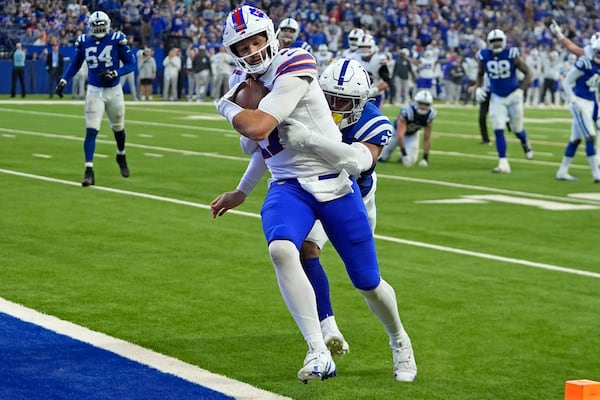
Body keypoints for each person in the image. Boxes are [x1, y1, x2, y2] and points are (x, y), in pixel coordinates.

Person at [214, 5, 416, 384]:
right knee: (282, 248)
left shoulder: (296, 62)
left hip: (337, 184)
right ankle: (318, 349)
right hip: (289, 186)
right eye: (244, 44)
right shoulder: (243, 78)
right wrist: (242, 190)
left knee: (367, 281)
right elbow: (262, 146)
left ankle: (399, 339)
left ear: (272, 37)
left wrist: (226, 105)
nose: (253, 50)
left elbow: (258, 129)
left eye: (258, 40)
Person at [55, 11, 136, 186]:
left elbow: (131, 64)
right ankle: (89, 170)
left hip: (114, 90)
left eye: (101, 26)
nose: (98, 29)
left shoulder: (116, 39)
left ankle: (121, 154)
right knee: (91, 130)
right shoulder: (85, 41)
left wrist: (115, 72)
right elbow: (75, 63)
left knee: (118, 128)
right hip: (94, 91)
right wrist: (64, 80)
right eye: (95, 26)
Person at [473, 29, 533, 173]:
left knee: (517, 129)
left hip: (513, 96)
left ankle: (525, 142)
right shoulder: (484, 56)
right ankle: (503, 163)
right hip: (497, 97)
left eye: (498, 40)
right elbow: (480, 73)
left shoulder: (511, 54)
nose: (496, 44)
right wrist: (479, 88)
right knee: (498, 128)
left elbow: (528, 73)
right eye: (493, 41)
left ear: (504, 41)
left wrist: (521, 89)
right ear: (488, 43)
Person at [555, 37, 600, 182]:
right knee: (590, 137)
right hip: (580, 102)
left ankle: (562, 171)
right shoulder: (585, 62)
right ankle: (596, 174)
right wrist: (573, 100)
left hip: (591, 103)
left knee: (575, 140)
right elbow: (567, 81)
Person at [379, 90, 436, 165]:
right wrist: (404, 154)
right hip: (396, 133)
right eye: (421, 103)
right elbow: (400, 135)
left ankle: (401, 157)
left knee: (411, 161)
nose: (423, 106)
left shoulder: (430, 114)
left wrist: (425, 158)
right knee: (382, 157)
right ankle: (400, 154)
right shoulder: (407, 111)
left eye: (426, 104)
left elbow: (427, 138)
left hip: (412, 134)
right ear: (416, 102)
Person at [354, 34, 391, 109]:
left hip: (375, 96)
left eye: (366, 47)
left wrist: (374, 90)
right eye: (361, 47)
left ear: (372, 46)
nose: (364, 50)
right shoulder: (355, 57)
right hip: (358, 95)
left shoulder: (378, 60)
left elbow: (387, 81)